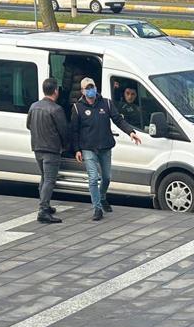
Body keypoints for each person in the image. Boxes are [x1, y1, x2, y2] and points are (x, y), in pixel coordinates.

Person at [70, 77, 141, 221]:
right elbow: (74, 131)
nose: (91, 90)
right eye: (88, 88)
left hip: (105, 146)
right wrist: (77, 149)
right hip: (88, 148)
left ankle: (102, 197)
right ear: (83, 91)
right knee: (93, 177)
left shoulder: (106, 103)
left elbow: (118, 120)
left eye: (93, 87)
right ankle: (97, 208)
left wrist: (131, 132)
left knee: (107, 177)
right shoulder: (78, 108)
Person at [27, 78, 69, 224]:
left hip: (37, 147)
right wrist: (66, 146)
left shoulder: (33, 106)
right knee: (49, 180)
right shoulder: (56, 109)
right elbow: (63, 131)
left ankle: (45, 205)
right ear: (56, 91)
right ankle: (43, 210)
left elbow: (28, 125)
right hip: (52, 149)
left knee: (44, 178)